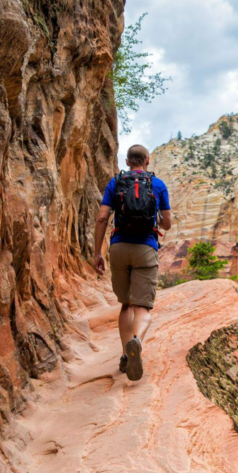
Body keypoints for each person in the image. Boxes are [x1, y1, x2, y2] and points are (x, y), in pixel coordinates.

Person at [93, 144, 172, 381]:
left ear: (127, 162)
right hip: (146, 247)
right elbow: (167, 224)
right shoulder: (157, 185)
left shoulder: (115, 182)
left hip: (119, 248)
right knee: (143, 307)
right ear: (147, 160)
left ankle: (126, 354)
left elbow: (101, 218)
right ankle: (137, 340)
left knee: (126, 304)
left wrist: (97, 252)